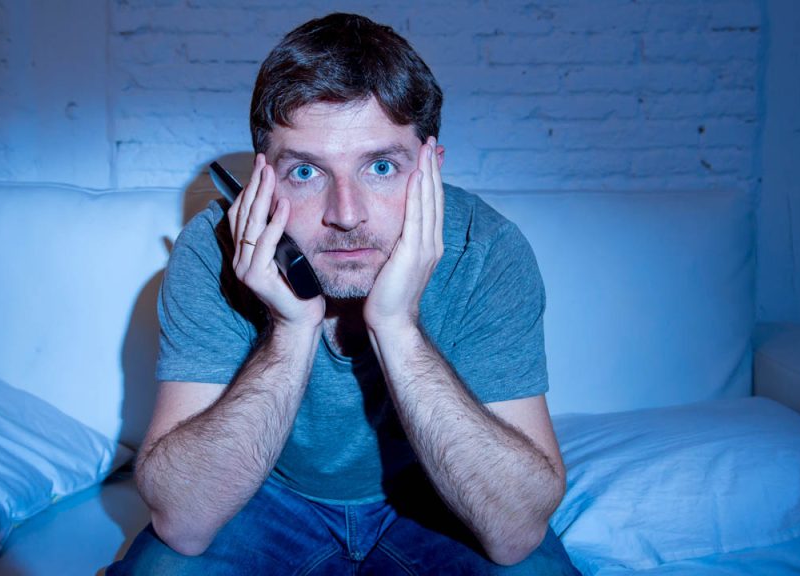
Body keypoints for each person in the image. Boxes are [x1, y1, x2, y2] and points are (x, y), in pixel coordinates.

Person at [108, 12, 580, 576]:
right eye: (306, 173)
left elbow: (515, 534)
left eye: (380, 166)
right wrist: (290, 329)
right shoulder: (213, 251)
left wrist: (397, 326)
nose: (346, 214)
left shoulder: (486, 249)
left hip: (436, 496)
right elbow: (183, 524)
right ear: (263, 178)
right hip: (263, 497)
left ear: (431, 168)